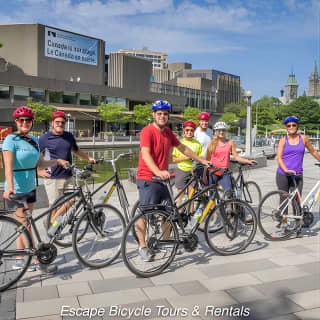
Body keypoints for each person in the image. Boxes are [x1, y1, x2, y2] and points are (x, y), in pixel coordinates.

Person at [136, 100, 211, 261]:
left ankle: (165, 243)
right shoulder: (147, 131)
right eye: (159, 113)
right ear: (154, 115)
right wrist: (157, 171)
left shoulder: (168, 133)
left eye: (165, 114)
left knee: (169, 214)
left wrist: (201, 160)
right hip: (147, 178)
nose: (162, 116)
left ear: (168, 116)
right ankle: (142, 247)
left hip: (162, 180)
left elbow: (183, 148)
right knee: (144, 214)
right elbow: (145, 154)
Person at [2, 106, 69, 273]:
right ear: (16, 122)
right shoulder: (11, 140)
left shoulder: (33, 140)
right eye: (21, 120)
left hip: (31, 186)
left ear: (32, 122)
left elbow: (39, 164)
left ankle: (19, 259)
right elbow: (7, 167)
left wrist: (57, 161)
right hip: (16, 188)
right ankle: (38, 261)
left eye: (28, 120)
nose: (25, 122)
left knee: (24, 226)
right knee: (26, 225)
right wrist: (10, 187)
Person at [38, 111, 96, 224]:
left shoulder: (69, 136)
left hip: (69, 176)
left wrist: (88, 158)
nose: (60, 124)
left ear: (65, 124)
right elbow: (35, 155)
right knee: (54, 205)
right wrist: (39, 170)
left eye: (62, 122)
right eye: (57, 122)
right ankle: (52, 228)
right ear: (52, 123)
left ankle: (53, 223)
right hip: (53, 177)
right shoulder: (45, 138)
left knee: (73, 200)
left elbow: (76, 151)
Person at [206, 121, 256, 197]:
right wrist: (204, 174)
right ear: (215, 132)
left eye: (223, 130)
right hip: (213, 171)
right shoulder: (211, 143)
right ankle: (212, 208)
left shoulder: (230, 142)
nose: (221, 132)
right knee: (212, 195)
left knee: (229, 193)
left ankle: (229, 208)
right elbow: (207, 160)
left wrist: (247, 161)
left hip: (224, 172)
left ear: (226, 131)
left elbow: (236, 156)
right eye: (218, 130)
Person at [277, 116, 320, 199]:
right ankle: (282, 212)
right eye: (289, 125)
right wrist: (286, 170)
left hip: (297, 175)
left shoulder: (303, 138)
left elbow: (313, 151)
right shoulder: (283, 140)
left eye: (294, 125)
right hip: (283, 174)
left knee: (296, 202)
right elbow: (279, 158)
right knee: (284, 201)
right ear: (286, 127)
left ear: (297, 126)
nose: (291, 127)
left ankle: (297, 212)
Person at [172, 120, 203, 208]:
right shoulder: (179, 143)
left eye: (191, 130)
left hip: (193, 171)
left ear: (194, 132)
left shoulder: (197, 144)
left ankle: (190, 214)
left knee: (191, 195)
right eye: (187, 130)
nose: (189, 132)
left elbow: (200, 158)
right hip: (181, 170)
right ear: (184, 131)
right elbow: (174, 159)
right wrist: (186, 157)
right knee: (181, 195)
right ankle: (179, 213)